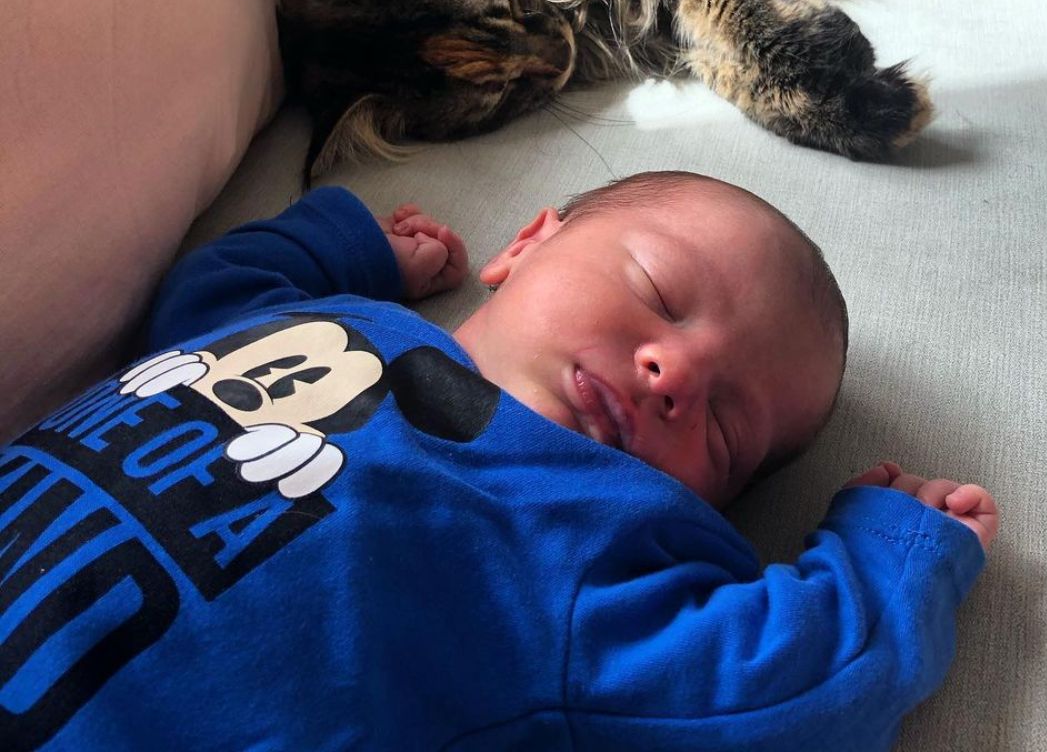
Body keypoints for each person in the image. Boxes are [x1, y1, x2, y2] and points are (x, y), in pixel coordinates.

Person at [1, 171, 997, 751]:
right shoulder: (329, 326)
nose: (673, 372)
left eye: (727, 431)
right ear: (526, 244)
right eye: (655, 287)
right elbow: (217, 290)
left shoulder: (595, 546)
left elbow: (778, 687)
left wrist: (889, 559)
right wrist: (350, 245)